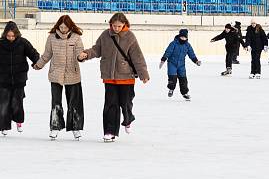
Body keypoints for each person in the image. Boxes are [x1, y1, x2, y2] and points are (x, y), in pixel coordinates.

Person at [79, 13, 150, 142]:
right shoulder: (106, 35)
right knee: (110, 105)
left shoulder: (130, 37)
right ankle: (109, 131)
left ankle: (128, 119)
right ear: (110, 24)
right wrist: (86, 54)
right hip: (109, 76)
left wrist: (143, 74)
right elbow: (97, 49)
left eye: (119, 26)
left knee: (126, 103)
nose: (116, 28)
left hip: (126, 77)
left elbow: (137, 57)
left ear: (124, 25)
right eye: (114, 25)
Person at [33, 15, 85, 140]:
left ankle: (75, 127)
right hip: (56, 73)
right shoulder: (51, 38)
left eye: (65, 27)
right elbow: (47, 54)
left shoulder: (76, 38)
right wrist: (38, 65)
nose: (63, 29)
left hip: (72, 74)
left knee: (74, 102)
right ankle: (55, 127)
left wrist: (81, 57)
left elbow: (79, 52)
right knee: (56, 102)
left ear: (70, 26)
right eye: (61, 27)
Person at [160, 28, 201, 100]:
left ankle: (185, 93)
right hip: (172, 63)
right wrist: (163, 59)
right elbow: (168, 52)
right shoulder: (173, 43)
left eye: (184, 37)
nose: (183, 38)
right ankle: (171, 89)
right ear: (179, 36)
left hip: (181, 65)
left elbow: (191, 54)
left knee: (183, 79)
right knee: (172, 78)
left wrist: (196, 61)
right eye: (182, 37)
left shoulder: (187, 45)